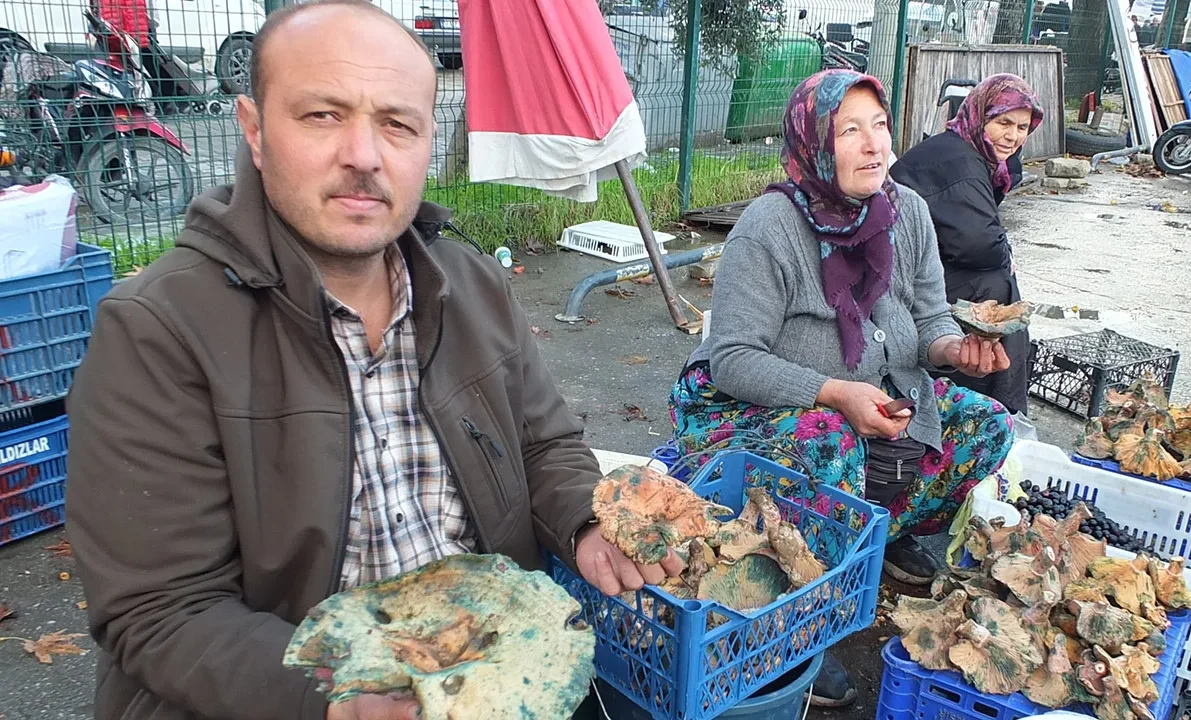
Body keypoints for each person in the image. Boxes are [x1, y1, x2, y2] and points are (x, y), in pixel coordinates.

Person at [63, 2, 681, 719]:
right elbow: (162, 612)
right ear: (255, 131)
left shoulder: (470, 285)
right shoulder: (158, 330)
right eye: (322, 115)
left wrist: (586, 521)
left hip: (488, 672)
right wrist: (334, 699)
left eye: (397, 123)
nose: (364, 154)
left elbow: (546, 446)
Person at [667, 69, 1015, 707]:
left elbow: (932, 315)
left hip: (878, 389)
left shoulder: (905, 211)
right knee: (832, 443)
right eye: (849, 130)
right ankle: (796, 628)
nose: (873, 145)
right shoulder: (769, 227)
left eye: (879, 126)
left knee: (987, 424)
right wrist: (833, 392)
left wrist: (953, 351)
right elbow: (732, 360)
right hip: (754, 409)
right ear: (813, 144)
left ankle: (890, 532)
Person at [889, 73, 1044, 419]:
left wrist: (1004, 251)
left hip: (917, 261)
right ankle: (996, 404)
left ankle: (995, 400)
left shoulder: (969, 149)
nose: (1013, 136)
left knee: (998, 284)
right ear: (979, 116)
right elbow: (977, 243)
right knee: (995, 286)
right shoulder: (960, 162)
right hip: (893, 275)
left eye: (1022, 127)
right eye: (1003, 122)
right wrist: (1006, 254)